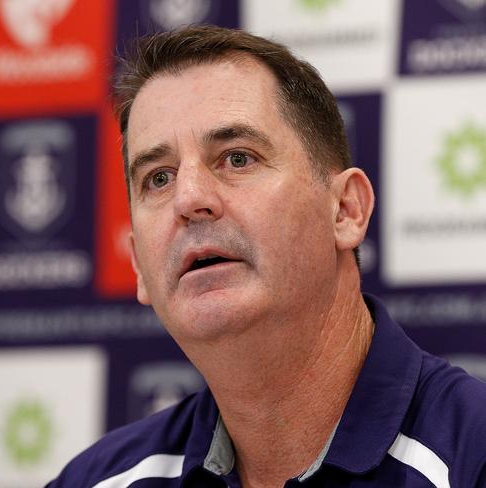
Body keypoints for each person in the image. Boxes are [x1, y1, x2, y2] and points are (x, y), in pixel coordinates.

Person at [47, 25, 486, 487]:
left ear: (345, 210)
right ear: (138, 264)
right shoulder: (95, 480)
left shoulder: (471, 457)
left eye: (237, 158)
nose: (189, 198)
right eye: (158, 178)